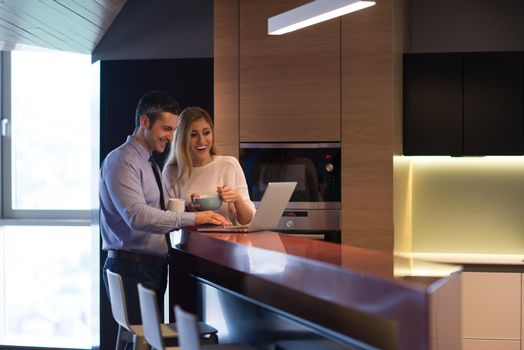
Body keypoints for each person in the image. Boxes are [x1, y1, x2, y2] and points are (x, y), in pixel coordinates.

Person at [99, 91, 229, 331]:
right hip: (132, 270)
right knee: (144, 342)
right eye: (166, 129)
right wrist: (193, 217)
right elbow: (137, 217)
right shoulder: (122, 162)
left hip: (147, 269)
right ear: (145, 122)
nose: (171, 137)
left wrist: (190, 206)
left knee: (145, 342)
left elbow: (155, 210)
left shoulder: (148, 163)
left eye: (173, 130)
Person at [162, 107, 255, 225]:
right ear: (182, 139)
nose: (202, 141)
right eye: (193, 135)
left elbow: (247, 221)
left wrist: (237, 199)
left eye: (206, 133)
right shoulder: (171, 172)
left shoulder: (229, 164)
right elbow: (170, 222)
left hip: (229, 241)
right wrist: (190, 211)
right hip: (190, 242)